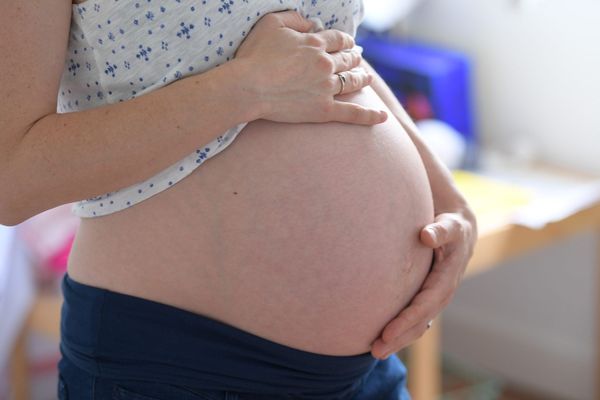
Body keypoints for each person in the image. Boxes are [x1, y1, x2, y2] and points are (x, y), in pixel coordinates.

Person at [0, 0, 477, 399]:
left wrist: (448, 198)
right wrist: (244, 87)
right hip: (178, 365)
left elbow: (326, 48)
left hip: (366, 367)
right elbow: (11, 177)